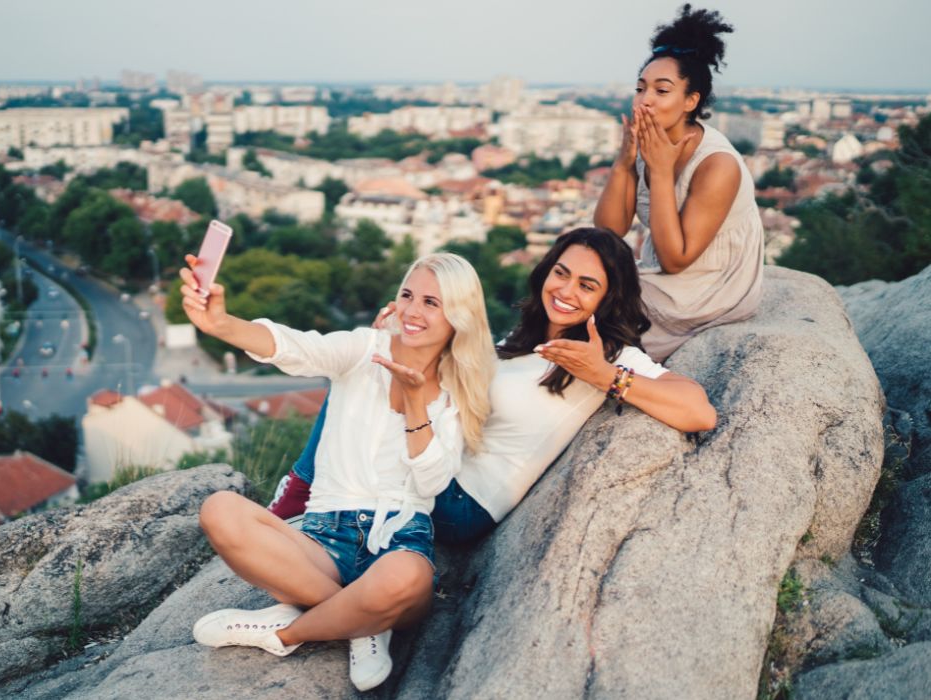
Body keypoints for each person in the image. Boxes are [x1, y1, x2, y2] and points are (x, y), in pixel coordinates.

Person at [271, 227, 717, 547]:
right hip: (437, 466)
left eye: (587, 285)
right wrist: (400, 340)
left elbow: (699, 411)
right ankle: (305, 494)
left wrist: (604, 376)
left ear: (608, 298)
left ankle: (297, 494)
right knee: (368, 365)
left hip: (463, 503)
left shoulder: (611, 355)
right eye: (560, 273)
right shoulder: (519, 342)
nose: (566, 290)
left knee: (366, 369)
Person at [179, 252, 495, 691]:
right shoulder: (364, 349)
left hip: (398, 542)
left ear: (458, 317)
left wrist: (415, 404)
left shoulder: (461, 389)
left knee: (408, 577)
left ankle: (285, 633)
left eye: (431, 302)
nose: (412, 311)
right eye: (407, 295)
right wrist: (221, 323)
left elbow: (431, 484)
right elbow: (296, 345)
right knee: (219, 510)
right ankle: (362, 623)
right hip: (323, 540)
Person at [594, 4, 764, 361]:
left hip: (707, 289)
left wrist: (660, 171)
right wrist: (624, 163)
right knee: (572, 279)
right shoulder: (650, 143)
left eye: (661, 90)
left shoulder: (717, 165)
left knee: (589, 318)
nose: (646, 100)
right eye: (641, 89)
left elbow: (676, 260)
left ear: (691, 100)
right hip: (661, 276)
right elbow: (609, 232)